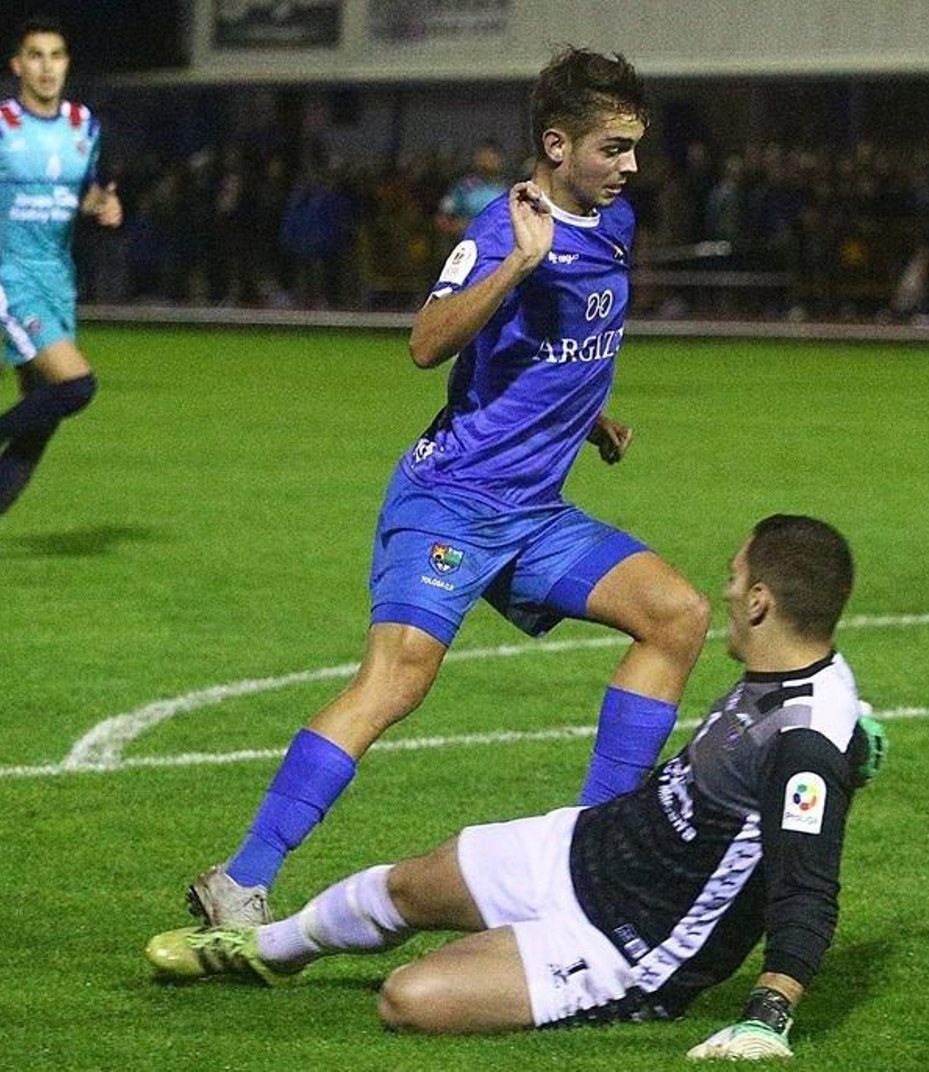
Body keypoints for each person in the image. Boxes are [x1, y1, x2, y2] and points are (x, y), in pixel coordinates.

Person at [186, 47, 710, 929]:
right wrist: (515, 267)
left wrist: (592, 417)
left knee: (678, 616)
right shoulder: (502, 231)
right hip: (454, 504)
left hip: (535, 514)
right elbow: (427, 343)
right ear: (556, 143)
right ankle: (239, 880)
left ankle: (590, 853)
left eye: (633, 148)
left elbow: (550, 351)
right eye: (613, 148)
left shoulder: (613, 223)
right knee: (396, 682)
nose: (630, 166)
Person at [148, 515, 886, 1060]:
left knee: (410, 998)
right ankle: (262, 951)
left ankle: (526, 959)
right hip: (590, 847)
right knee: (412, 885)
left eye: (733, 576)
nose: (722, 589)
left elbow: (808, 885)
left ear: (760, 601)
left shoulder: (806, 743)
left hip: (626, 944)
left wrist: (767, 1014)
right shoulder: (803, 688)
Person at [0, 15, 121, 568]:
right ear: (17, 66)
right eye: (35, 55)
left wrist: (103, 206)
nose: (46, 67)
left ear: (66, 64)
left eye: (56, 55)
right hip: (6, 271)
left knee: (42, 416)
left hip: (57, 277)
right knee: (78, 386)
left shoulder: (84, 125)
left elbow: (85, 194)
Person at [434, 139, 509, 238]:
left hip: (501, 250)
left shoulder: (508, 191)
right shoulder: (462, 188)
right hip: (468, 248)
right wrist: (459, 227)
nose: (486, 163)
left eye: (491, 158)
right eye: (483, 158)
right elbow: (441, 219)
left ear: (500, 160)